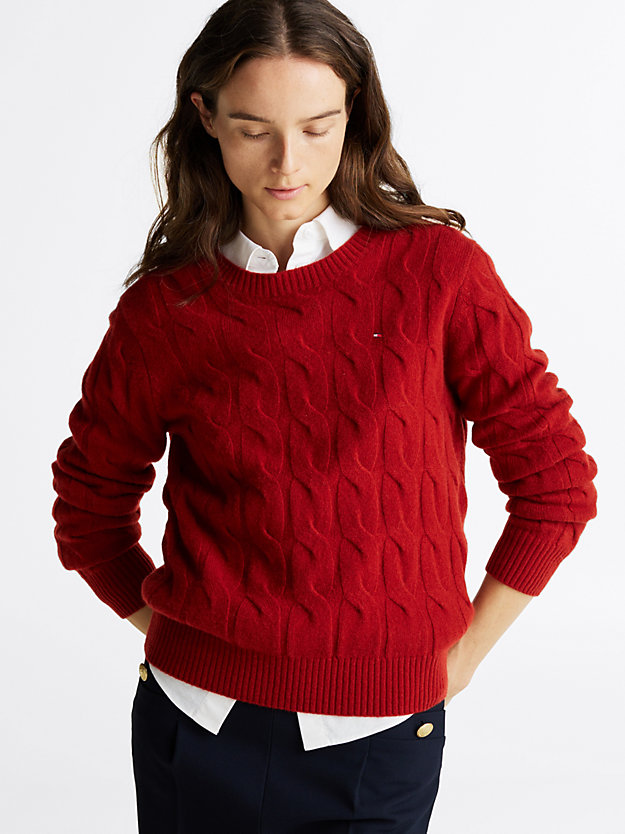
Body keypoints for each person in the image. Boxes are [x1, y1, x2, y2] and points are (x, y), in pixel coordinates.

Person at [50, 0, 598, 831]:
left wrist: (463, 656)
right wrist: (175, 633)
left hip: (379, 738)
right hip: (191, 722)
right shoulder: (165, 307)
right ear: (204, 117)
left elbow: (556, 484)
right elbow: (87, 506)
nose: (287, 162)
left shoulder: (440, 274)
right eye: (252, 128)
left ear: (354, 114)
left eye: (316, 127)